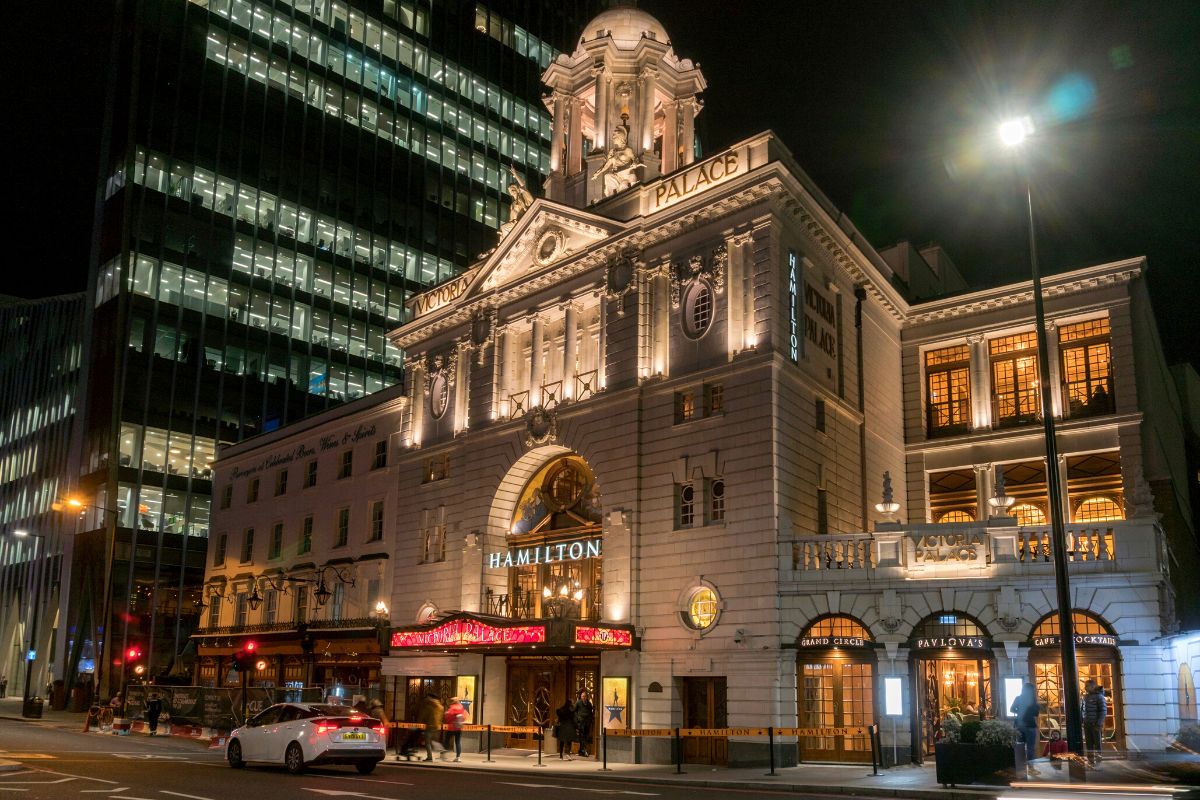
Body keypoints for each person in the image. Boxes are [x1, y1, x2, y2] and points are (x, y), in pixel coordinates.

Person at [1010, 683, 1041, 775]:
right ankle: (1031, 769)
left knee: (1020, 747)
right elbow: (1036, 713)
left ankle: (1021, 769)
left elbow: (1011, 709)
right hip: (1030, 725)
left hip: (1019, 726)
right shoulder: (1032, 700)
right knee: (1030, 748)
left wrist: (1019, 711)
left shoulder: (1018, 698)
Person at [1081, 679, 1108, 766]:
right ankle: (1090, 761)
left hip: (1095, 724)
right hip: (1087, 724)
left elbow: (1103, 711)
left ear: (1093, 686)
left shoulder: (1100, 697)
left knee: (1097, 744)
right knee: (1089, 743)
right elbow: (1082, 709)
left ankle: (1098, 762)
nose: (1085, 688)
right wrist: (1082, 720)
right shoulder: (1085, 697)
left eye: (1087, 686)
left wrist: (1099, 723)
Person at [418, 693, 443, 762]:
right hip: (436, 726)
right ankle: (442, 750)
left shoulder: (429, 705)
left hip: (430, 726)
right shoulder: (440, 706)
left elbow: (424, 715)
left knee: (428, 742)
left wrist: (420, 722)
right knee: (433, 741)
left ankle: (430, 757)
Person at [443, 697, 466, 762]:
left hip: (452, 727)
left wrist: (446, 714)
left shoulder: (452, 707)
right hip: (459, 727)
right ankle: (458, 757)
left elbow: (448, 717)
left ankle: (444, 755)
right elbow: (464, 717)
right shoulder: (461, 708)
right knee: (458, 742)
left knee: (446, 740)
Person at [573, 689, 594, 758]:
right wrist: (578, 718)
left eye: (585, 696)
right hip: (581, 723)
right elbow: (574, 711)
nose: (583, 697)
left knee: (585, 736)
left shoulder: (589, 704)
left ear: (587, 697)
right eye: (582, 696)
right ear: (580, 697)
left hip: (587, 723)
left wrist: (590, 720)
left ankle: (580, 751)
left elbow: (591, 712)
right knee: (582, 737)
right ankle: (584, 750)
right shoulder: (578, 703)